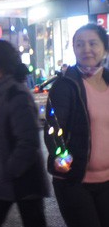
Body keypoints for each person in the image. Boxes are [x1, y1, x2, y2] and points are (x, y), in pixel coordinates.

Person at [44, 23, 109, 227]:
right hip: (75, 181)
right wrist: (61, 156)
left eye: (92, 43)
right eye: (80, 44)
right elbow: (53, 126)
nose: (86, 49)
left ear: (105, 49)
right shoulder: (65, 85)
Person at [0, 40, 48, 227]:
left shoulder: (16, 95)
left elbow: (28, 142)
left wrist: (8, 170)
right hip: (6, 176)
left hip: (23, 179)